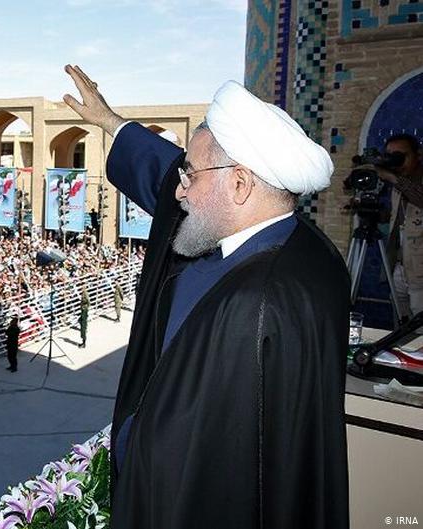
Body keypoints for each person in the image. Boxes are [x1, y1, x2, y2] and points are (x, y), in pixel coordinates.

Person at [64, 64, 349, 528]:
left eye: (190, 175)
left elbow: (207, 467)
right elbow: (164, 175)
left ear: (239, 184)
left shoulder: (254, 305)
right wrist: (111, 123)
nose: (178, 191)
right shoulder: (307, 248)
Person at [377, 133, 423, 319]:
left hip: (420, 271)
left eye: (401, 156)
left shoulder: (401, 182)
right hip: (400, 265)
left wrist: (392, 177)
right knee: (401, 326)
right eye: (391, 156)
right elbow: (398, 218)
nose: (396, 162)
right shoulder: (399, 184)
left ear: (418, 155)